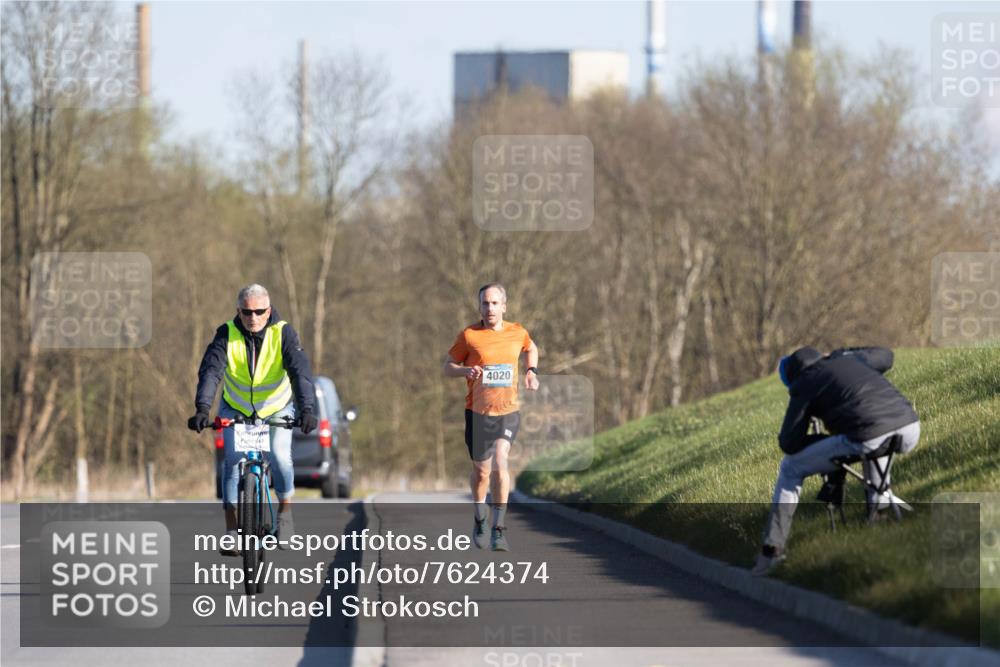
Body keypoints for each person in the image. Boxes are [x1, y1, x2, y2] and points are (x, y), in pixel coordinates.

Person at [752, 346, 920, 576]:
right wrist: (845, 352)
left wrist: (821, 439)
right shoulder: (851, 359)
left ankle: (772, 550)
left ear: (794, 376)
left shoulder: (804, 383)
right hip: (910, 427)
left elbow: (788, 443)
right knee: (869, 440)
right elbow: (886, 355)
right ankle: (878, 513)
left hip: (869, 435)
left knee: (790, 468)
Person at [187, 284, 317, 556]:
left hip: (275, 408)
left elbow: (300, 372)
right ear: (239, 311)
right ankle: (232, 531)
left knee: (280, 457)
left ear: (268, 311)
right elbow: (211, 372)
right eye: (247, 312)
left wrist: (307, 409)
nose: (253, 317)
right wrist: (202, 408)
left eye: (259, 311)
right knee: (233, 462)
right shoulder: (226, 333)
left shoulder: (283, 333)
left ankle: (285, 512)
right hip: (236, 408)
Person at [444, 283, 539, 552]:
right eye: (485, 303)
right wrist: (465, 372)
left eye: (495, 303)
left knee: (500, 460)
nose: (490, 308)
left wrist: (531, 371)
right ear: (480, 307)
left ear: (504, 306)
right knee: (481, 471)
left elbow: (532, 348)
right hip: (477, 413)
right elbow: (447, 367)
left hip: (508, 411)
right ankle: (480, 517)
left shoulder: (517, 332)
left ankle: (499, 528)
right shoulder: (469, 336)